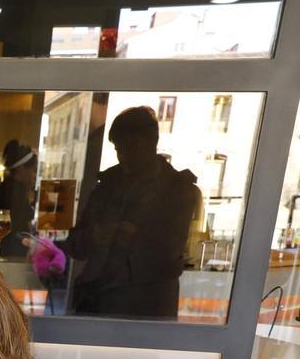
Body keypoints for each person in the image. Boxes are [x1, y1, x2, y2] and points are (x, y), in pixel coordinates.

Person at [25, 105, 202, 319]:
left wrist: (129, 236)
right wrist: (100, 235)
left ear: (150, 143)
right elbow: (76, 244)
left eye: (130, 147)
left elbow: (168, 251)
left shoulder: (177, 189)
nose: (123, 156)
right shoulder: (107, 186)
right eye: (119, 149)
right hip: (99, 303)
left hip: (148, 308)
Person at [0, 139, 38, 260]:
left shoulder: (8, 186)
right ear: (21, 169)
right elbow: (19, 225)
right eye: (34, 170)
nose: (35, 176)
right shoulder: (14, 191)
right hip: (11, 255)